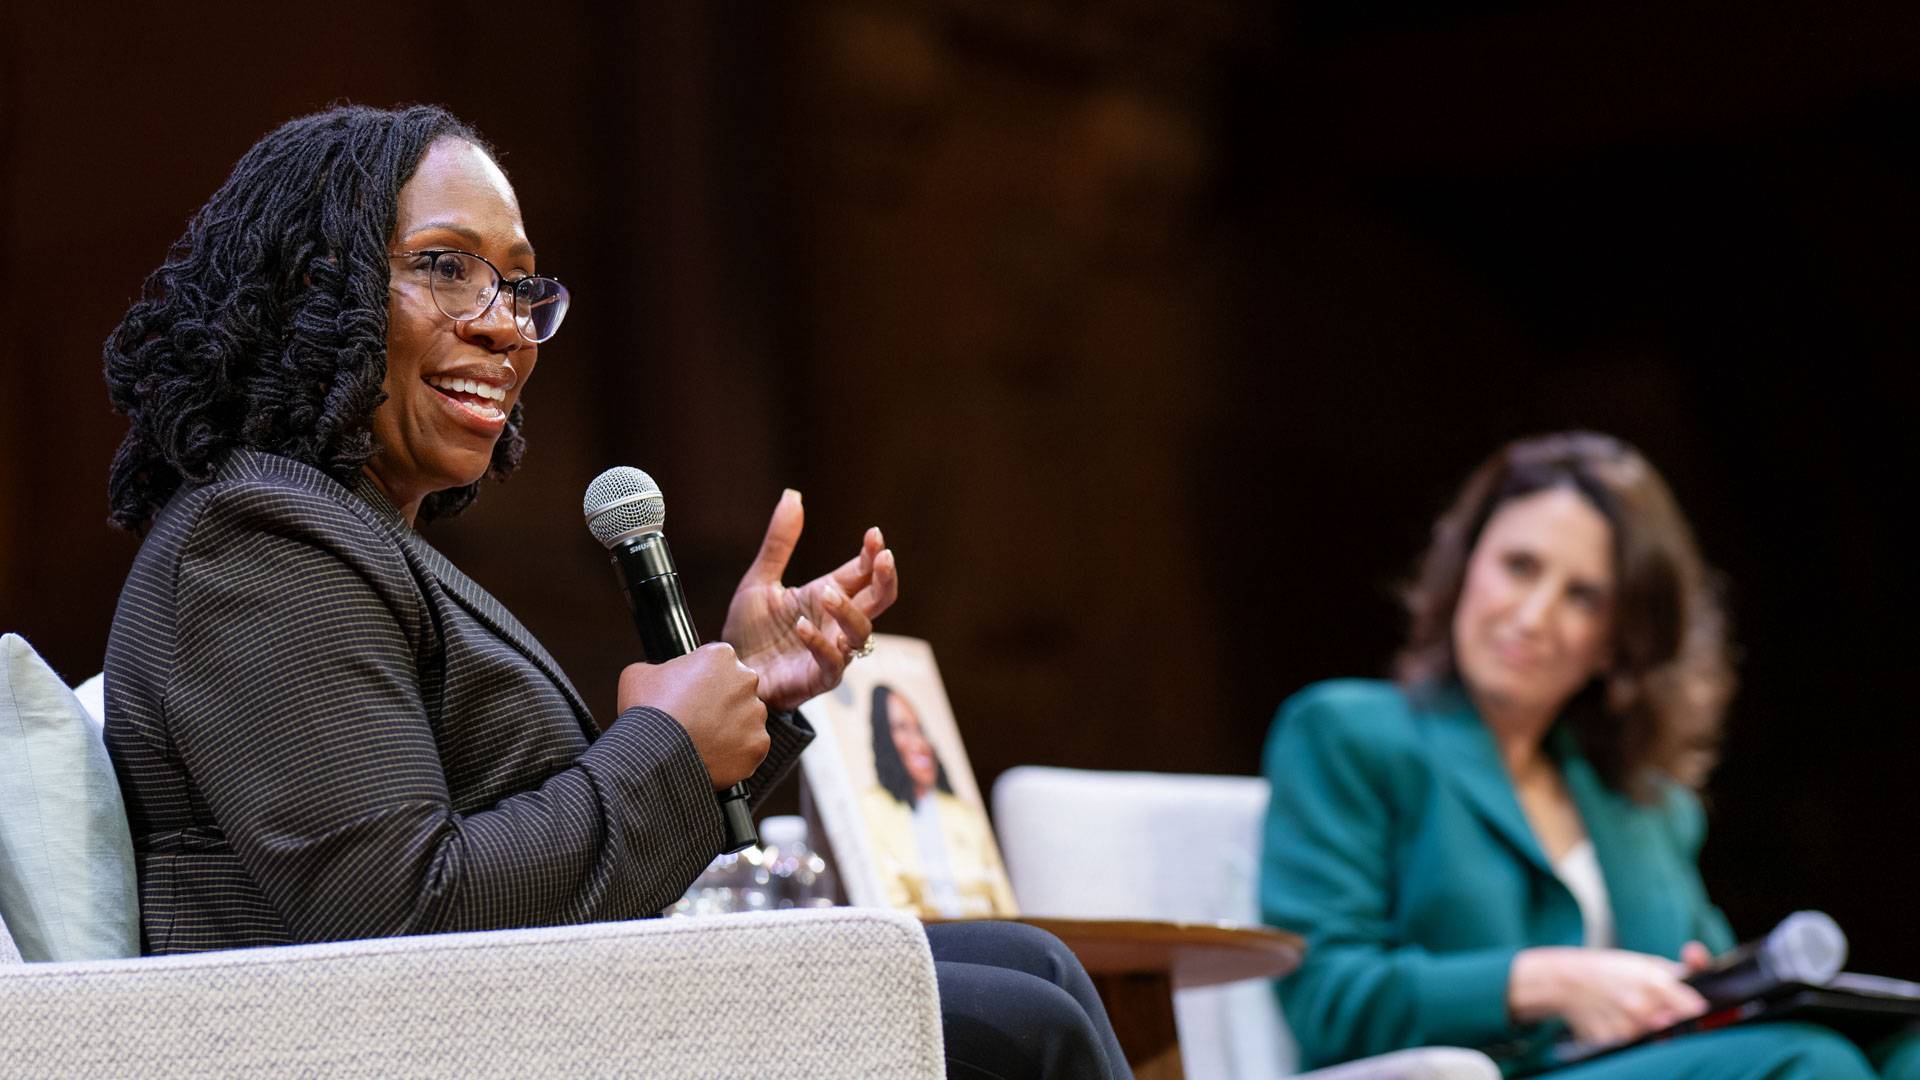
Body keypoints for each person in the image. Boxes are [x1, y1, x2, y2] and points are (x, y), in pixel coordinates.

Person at [101, 104, 1130, 1080]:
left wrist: (744, 696)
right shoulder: (257, 543)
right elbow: (398, 916)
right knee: (1022, 1029)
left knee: (1030, 966)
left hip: (515, 1018)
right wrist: (671, 751)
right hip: (401, 1050)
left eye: (518, 288)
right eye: (447, 269)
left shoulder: (342, 534)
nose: (505, 329)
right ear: (312, 284)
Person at [1260, 432, 1919, 1078]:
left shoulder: (1645, 803)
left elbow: (1711, 988)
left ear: (1618, 640)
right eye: (1519, 567)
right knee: (1810, 1062)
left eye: (1583, 596)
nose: (1533, 616)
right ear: (1466, 568)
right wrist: (1547, 983)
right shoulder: (1348, 733)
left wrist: (1706, 986)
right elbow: (1326, 995)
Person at [861, 685, 1018, 917]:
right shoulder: (870, 808)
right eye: (901, 728)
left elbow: (1006, 909)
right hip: (914, 943)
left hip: (982, 942)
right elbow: (889, 904)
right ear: (884, 737)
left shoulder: (965, 814)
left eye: (919, 729)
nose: (918, 743)